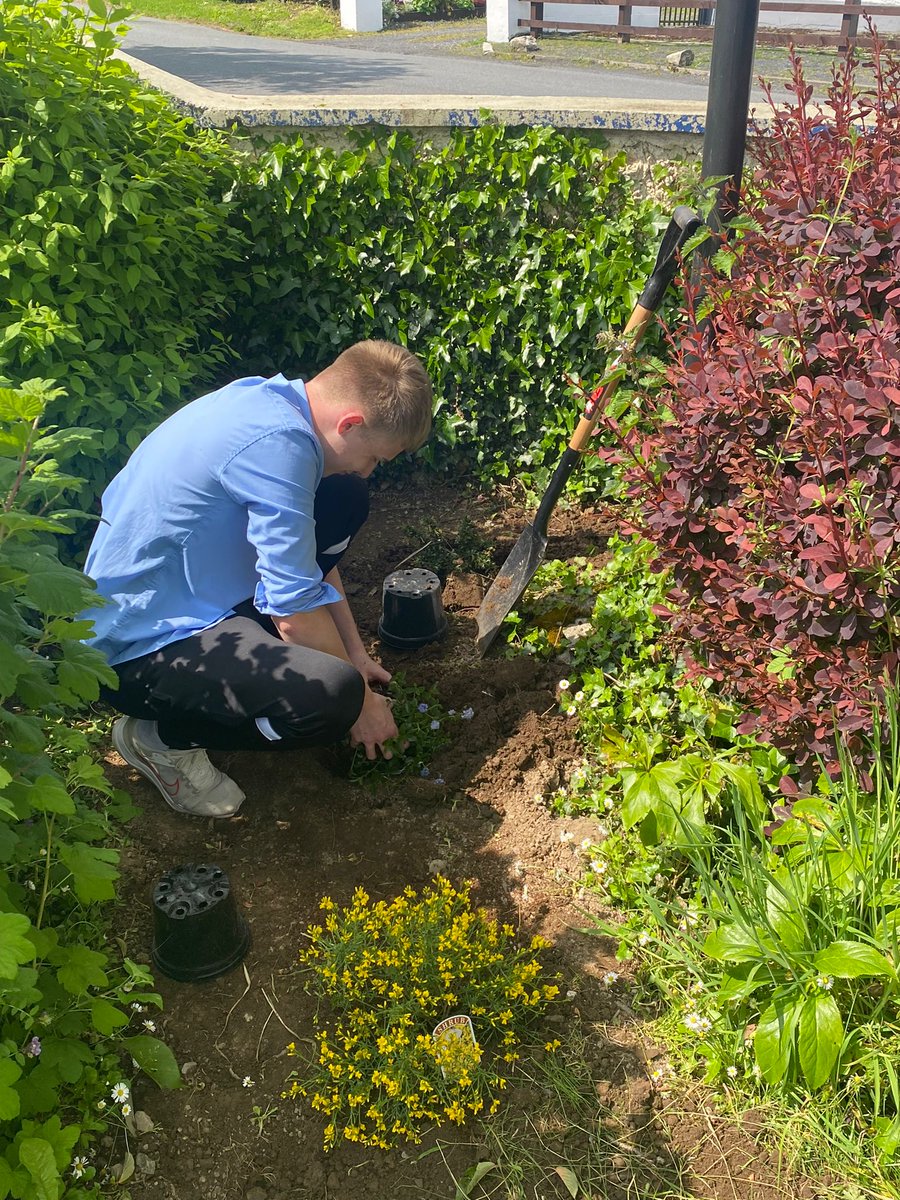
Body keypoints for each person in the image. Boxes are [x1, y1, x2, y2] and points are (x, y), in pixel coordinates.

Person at [82, 340, 433, 819]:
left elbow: (308, 566)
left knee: (345, 497)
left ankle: (206, 708)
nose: (369, 470)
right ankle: (162, 739)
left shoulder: (276, 405)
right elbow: (292, 609)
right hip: (135, 646)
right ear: (350, 423)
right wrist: (364, 704)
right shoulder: (279, 449)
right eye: (375, 457)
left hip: (198, 593)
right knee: (332, 697)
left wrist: (355, 654)